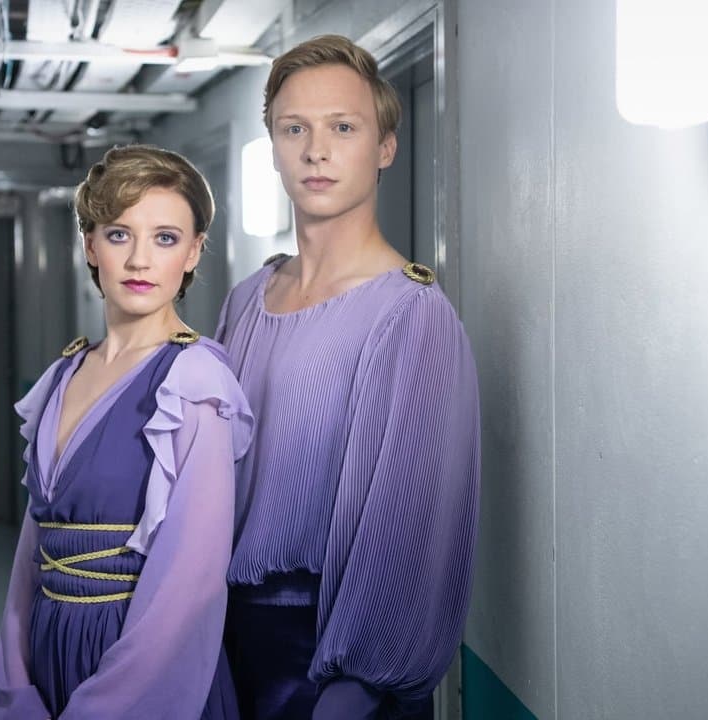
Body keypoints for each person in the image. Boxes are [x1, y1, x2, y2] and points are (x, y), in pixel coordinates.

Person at [216, 34, 481, 720]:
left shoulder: (411, 313)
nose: (316, 150)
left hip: (331, 665)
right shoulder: (245, 299)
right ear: (273, 147)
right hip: (224, 645)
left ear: (385, 147)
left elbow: (411, 528)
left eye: (343, 127)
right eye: (294, 129)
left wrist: (352, 689)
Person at [0, 145, 253, 720]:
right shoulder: (63, 375)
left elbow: (189, 589)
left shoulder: (195, 382)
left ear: (193, 251)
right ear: (90, 246)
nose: (139, 260)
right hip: (48, 652)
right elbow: (30, 557)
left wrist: (104, 708)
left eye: (165, 238)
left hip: (139, 667)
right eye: (119, 234)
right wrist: (14, 687)